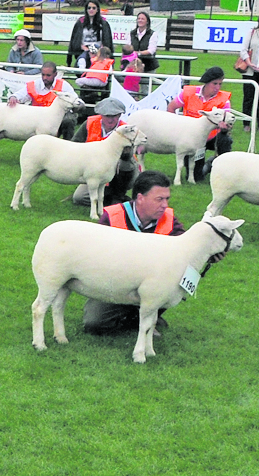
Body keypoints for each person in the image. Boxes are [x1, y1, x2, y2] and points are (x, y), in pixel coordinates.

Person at [82, 171, 206, 336]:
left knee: (176, 280)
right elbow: (95, 255)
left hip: (150, 285)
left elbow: (186, 250)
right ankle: (138, 317)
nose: (165, 205)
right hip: (113, 284)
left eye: (167, 199)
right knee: (95, 324)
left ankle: (144, 318)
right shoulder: (112, 217)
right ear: (140, 198)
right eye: (159, 199)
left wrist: (210, 252)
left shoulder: (169, 221)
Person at [166, 66, 233, 182]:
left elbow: (228, 122)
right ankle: (209, 164)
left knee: (225, 140)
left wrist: (224, 128)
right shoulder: (188, 93)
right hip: (191, 139)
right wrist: (175, 128)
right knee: (197, 178)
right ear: (206, 82)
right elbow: (171, 107)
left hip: (212, 137)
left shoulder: (223, 99)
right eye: (214, 84)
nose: (217, 87)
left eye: (220, 84)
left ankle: (223, 168)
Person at [71, 98, 138, 208]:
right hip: (94, 170)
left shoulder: (126, 130)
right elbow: (75, 144)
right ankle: (112, 198)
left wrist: (125, 153)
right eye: (107, 116)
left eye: (114, 116)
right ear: (101, 114)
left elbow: (128, 157)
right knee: (79, 197)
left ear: (120, 115)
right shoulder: (89, 123)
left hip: (120, 171)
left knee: (124, 164)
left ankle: (119, 195)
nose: (110, 120)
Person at [6, 61, 77, 140]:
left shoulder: (63, 85)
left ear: (55, 74)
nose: (45, 78)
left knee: (68, 120)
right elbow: (21, 94)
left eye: (48, 75)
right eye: (43, 75)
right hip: (38, 119)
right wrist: (14, 97)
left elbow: (75, 99)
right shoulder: (34, 84)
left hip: (57, 118)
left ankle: (67, 143)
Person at [67, 0, 113, 69]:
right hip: (84, 50)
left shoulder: (103, 23)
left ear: (97, 10)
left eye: (94, 8)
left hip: (99, 51)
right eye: (89, 8)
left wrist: (100, 50)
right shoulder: (80, 22)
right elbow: (75, 40)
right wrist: (83, 48)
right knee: (82, 61)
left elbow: (107, 40)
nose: (91, 10)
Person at [236, 12, 259, 127]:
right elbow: (243, 50)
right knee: (248, 97)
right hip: (249, 71)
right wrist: (249, 63)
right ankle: (246, 123)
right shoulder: (252, 33)